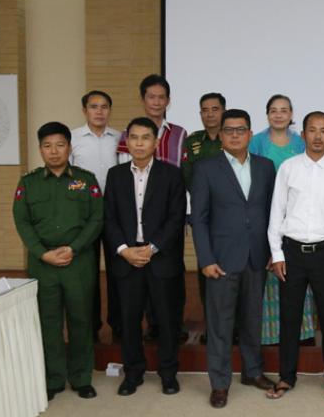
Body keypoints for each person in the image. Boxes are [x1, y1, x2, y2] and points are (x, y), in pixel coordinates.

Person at [191, 109, 277, 408]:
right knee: (220, 324)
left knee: (252, 319)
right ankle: (219, 383)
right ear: (221, 135)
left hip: (257, 256)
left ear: (250, 134)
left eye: (241, 130)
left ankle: (252, 372)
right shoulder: (205, 168)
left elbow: (273, 212)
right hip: (221, 260)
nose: (235, 135)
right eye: (229, 130)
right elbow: (198, 218)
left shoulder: (265, 167)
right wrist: (205, 258)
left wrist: (273, 251)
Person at [13, 122, 103, 401]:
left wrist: (74, 248)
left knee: (81, 320)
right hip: (43, 263)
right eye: (47, 146)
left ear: (69, 147)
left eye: (60, 145)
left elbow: (97, 218)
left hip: (79, 261)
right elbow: (22, 221)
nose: (54, 151)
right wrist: (42, 253)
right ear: (40, 149)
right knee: (48, 321)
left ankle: (81, 377)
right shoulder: (28, 183)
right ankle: (53, 379)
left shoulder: (86, 180)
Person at [265, 111, 324, 400]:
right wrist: (277, 253)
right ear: (302, 135)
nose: (317, 136)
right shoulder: (288, 168)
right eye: (312, 130)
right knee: (290, 318)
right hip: (292, 253)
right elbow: (277, 212)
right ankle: (286, 377)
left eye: (323, 131)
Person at [103, 117, 186, 396]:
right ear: (127, 142)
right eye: (134, 138)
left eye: (145, 138)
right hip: (127, 258)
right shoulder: (115, 175)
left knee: (166, 320)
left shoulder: (172, 174)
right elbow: (109, 217)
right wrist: (124, 250)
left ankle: (168, 373)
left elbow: (176, 218)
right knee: (129, 320)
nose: (139, 143)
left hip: (160, 258)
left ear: (156, 142)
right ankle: (133, 373)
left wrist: (151, 248)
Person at [116, 74, 188, 342]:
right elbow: (124, 174)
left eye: (161, 97)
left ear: (168, 100)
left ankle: (172, 327)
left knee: (171, 278)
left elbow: (184, 171)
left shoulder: (179, 133)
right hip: (136, 215)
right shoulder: (130, 134)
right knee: (137, 283)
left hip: (169, 215)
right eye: (151, 97)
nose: (156, 102)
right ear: (143, 99)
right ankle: (151, 328)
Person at [248, 94, 316, 347]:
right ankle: (270, 334)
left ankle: (303, 332)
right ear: (267, 114)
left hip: (297, 217)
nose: (279, 115)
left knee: (298, 273)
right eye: (274, 110)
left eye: (284, 110)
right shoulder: (256, 142)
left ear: (291, 114)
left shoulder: (300, 143)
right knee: (270, 274)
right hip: (265, 214)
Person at [70, 90, 121, 341]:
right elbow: (68, 178)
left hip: (115, 213)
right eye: (93, 107)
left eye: (104, 107)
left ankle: (118, 325)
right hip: (84, 215)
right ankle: (90, 328)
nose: (99, 111)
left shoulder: (120, 138)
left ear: (110, 110)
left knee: (118, 273)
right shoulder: (72, 138)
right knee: (87, 274)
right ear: (84, 110)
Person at [181, 92, 225, 344]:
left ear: (223, 111)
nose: (209, 114)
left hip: (230, 213)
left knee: (233, 271)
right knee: (205, 269)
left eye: (214, 109)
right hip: (203, 215)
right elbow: (188, 176)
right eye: (205, 110)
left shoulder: (233, 137)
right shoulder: (193, 142)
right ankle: (211, 328)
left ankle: (234, 328)